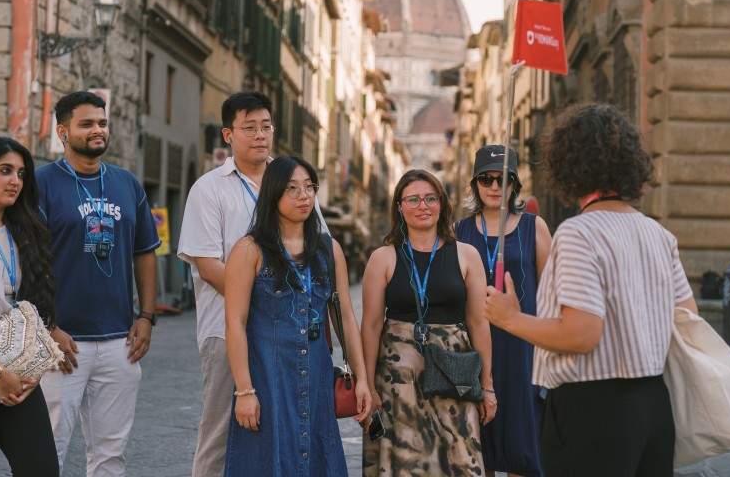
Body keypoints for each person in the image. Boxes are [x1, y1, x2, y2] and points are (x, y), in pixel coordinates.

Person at [485, 104, 698, 477]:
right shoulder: (658, 234)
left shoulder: (579, 233)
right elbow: (687, 318)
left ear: (569, 164)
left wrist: (510, 318)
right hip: (653, 406)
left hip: (592, 409)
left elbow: (580, 334)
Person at [178, 92, 330, 477]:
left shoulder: (293, 180)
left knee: (289, 429)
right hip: (228, 329)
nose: (260, 135)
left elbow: (320, 251)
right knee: (222, 430)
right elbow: (208, 264)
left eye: (266, 126)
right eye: (249, 128)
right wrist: (264, 301)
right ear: (228, 134)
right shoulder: (209, 189)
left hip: (292, 335)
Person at [223, 155, 371, 476]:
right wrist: (244, 391)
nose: (304, 196)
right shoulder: (248, 250)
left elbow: (345, 316)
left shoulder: (329, 250)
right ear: (273, 194)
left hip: (316, 378)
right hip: (268, 379)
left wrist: (361, 379)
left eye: (309, 187)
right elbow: (234, 323)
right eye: (292, 188)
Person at [37, 91, 160, 476]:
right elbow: (30, 262)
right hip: (61, 342)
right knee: (48, 450)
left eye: (102, 123)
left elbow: (145, 251)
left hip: (118, 341)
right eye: (86, 123)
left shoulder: (127, 184)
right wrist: (48, 326)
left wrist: (147, 316)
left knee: (110, 453)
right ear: (62, 131)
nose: (97, 130)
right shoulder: (41, 183)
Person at [362, 169, 496, 476]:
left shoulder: (467, 255)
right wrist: (368, 386)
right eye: (413, 199)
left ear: (441, 203)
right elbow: (369, 326)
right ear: (399, 206)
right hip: (398, 380)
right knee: (403, 463)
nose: (423, 206)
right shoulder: (382, 258)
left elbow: (478, 323)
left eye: (430, 198)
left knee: (462, 459)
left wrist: (487, 387)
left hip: (456, 377)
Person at [455, 145, 551, 477]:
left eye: (503, 179)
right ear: (475, 185)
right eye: (486, 179)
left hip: (523, 346)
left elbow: (553, 289)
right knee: (479, 446)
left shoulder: (534, 227)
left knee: (523, 448)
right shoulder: (460, 232)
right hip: (476, 345)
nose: (495, 187)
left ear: (514, 185)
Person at [0, 137, 59, 476]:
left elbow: (32, 308)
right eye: (5, 170)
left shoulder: (25, 231)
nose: (16, 180)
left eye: (21, 173)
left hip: (15, 371)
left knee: (41, 468)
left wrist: (31, 370)